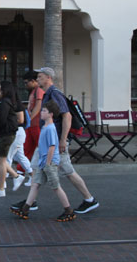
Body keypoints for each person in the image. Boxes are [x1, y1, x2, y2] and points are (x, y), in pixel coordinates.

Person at [32, 67, 99, 214]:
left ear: (48, 78)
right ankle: (30, 202)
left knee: (68, 171)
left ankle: (89, 199)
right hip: (48, 141)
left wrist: (63, 140)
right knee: (36, 167)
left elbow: (66, 116)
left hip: (54, 142)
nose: (37, 79)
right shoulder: (47, 94)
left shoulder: (55, 94)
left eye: (40, 77)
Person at [11, 101, 76, 222]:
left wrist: (48, 163)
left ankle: (68, 211)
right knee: (35, 184)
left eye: (44, 111)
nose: (41, 113)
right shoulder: (45, 127)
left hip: (48, 163)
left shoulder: (50, 129)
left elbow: (52, 147)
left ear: (51, 114)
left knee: (56, 187)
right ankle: (25, 209)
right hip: (43, 162)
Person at [0, 80, 24, 197]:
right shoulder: (3, 102)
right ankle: (16, 176)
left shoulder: (5, 103)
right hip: (5, 134)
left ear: (3, 89)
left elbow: (1, 120)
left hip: (6, 134)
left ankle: (1, 189)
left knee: (1, 161)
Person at [0, 83, 32, 191]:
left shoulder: (13, 103)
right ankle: (28, 176)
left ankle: (2, 183)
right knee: (18, 157)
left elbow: (20, 120)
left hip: (15, 132)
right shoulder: (6, 102)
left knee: (5, 158)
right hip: (14, 132)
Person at [20, 70, 44, 187]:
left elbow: (38, 106)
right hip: (32, 126)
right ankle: (22, 173)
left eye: (26, 83)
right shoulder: (33, 92)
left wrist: (29, 118)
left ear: (33, 81)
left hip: (36, 125)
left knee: (39, 151)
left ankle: (35, 176)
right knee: (27, 150)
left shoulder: (38, 91)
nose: (25, 85)